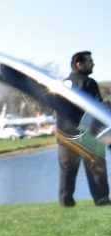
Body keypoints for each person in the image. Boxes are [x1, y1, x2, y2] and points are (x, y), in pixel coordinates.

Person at [54, 51, 110, 207]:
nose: (93, 63)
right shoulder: (89, 82)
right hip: (87, 133)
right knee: (96, 168)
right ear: (79, 64)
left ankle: (66, 201)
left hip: (64, 133)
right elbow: (97, 107)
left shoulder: (61, 84)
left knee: (67, 169)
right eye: (89, 61)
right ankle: (101, 199)